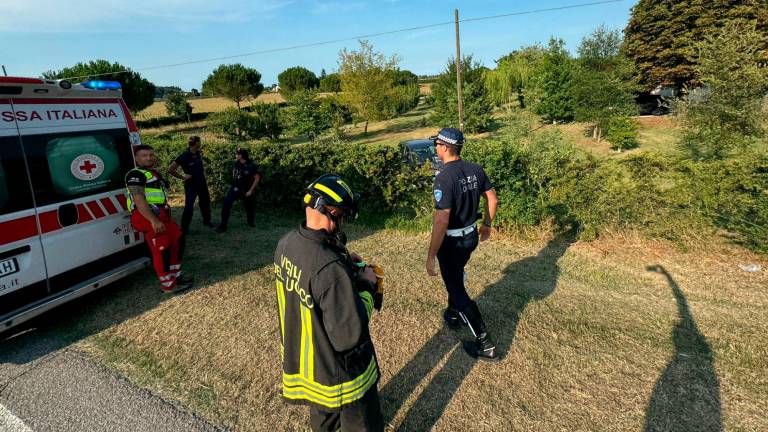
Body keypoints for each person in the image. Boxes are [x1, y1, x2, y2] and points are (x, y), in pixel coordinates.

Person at [274, 174, 383, 432]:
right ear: (332, 212)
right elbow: (348, 332)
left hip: (312, 368)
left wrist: (344, 261)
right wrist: (367, 284)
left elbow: (310, 282)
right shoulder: (329, 269)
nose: (343, 221)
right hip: (343, 377)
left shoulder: (286, 244)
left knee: (323, 421)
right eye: (343, 215)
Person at [425, 127, 500, 362]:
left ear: (445, 147)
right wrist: (487, 225)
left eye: (436, 144)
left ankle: (485, 344)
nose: (435, 148)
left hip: (452, 243)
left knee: (457, 289)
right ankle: (454, 315)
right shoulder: (476, 169)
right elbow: (492, 198)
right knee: (455, 275)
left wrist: (431, 255)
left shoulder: (444, 177)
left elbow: (441, 219)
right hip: (470, 238)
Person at [126, 145, 193, 294]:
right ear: (136, 158)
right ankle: (168, 285)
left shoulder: (152, 173)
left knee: (178, 240)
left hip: (161, 214)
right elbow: (138, 199)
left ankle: (176, 276)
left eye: (151, 155)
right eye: (144, 155)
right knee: (161, 249)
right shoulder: (135, 174)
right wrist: (153, 220)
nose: (149, 158)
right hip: (147, 216)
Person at [169, 135, 213, 235]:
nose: (200, 143)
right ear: (196, 143)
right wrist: (183, 177)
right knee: (189, 206)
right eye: (199, 142)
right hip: (191, 185)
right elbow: (170, 169)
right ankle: (184, 228)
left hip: (202, 183)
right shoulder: (184, 155)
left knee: (205, 202)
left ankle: (207, 221)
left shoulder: (198, 153)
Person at [216, 148, 261, 232]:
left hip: (246, 190)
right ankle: (223, 225)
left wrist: (251, 190)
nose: (236, 155)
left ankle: (250, 221)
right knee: (226, 204)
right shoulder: (236, 163)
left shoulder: (251, 166)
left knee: (249, 207)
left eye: (238, 154)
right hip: (235, 188)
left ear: (242, 155)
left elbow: (257, 178)